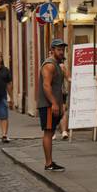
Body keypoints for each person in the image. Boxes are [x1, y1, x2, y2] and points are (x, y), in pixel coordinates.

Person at [37, 39, 68, 172]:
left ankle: (50, 162)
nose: (61, 52)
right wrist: (54, 103)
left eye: (63, 50)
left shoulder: (57, 65)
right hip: (48, 105)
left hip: (54, 104)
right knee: (48, 132)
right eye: (59, 50)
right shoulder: (49, 65)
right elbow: (46, 85)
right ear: (52, 50)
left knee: (50, 132)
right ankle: (48, 163)